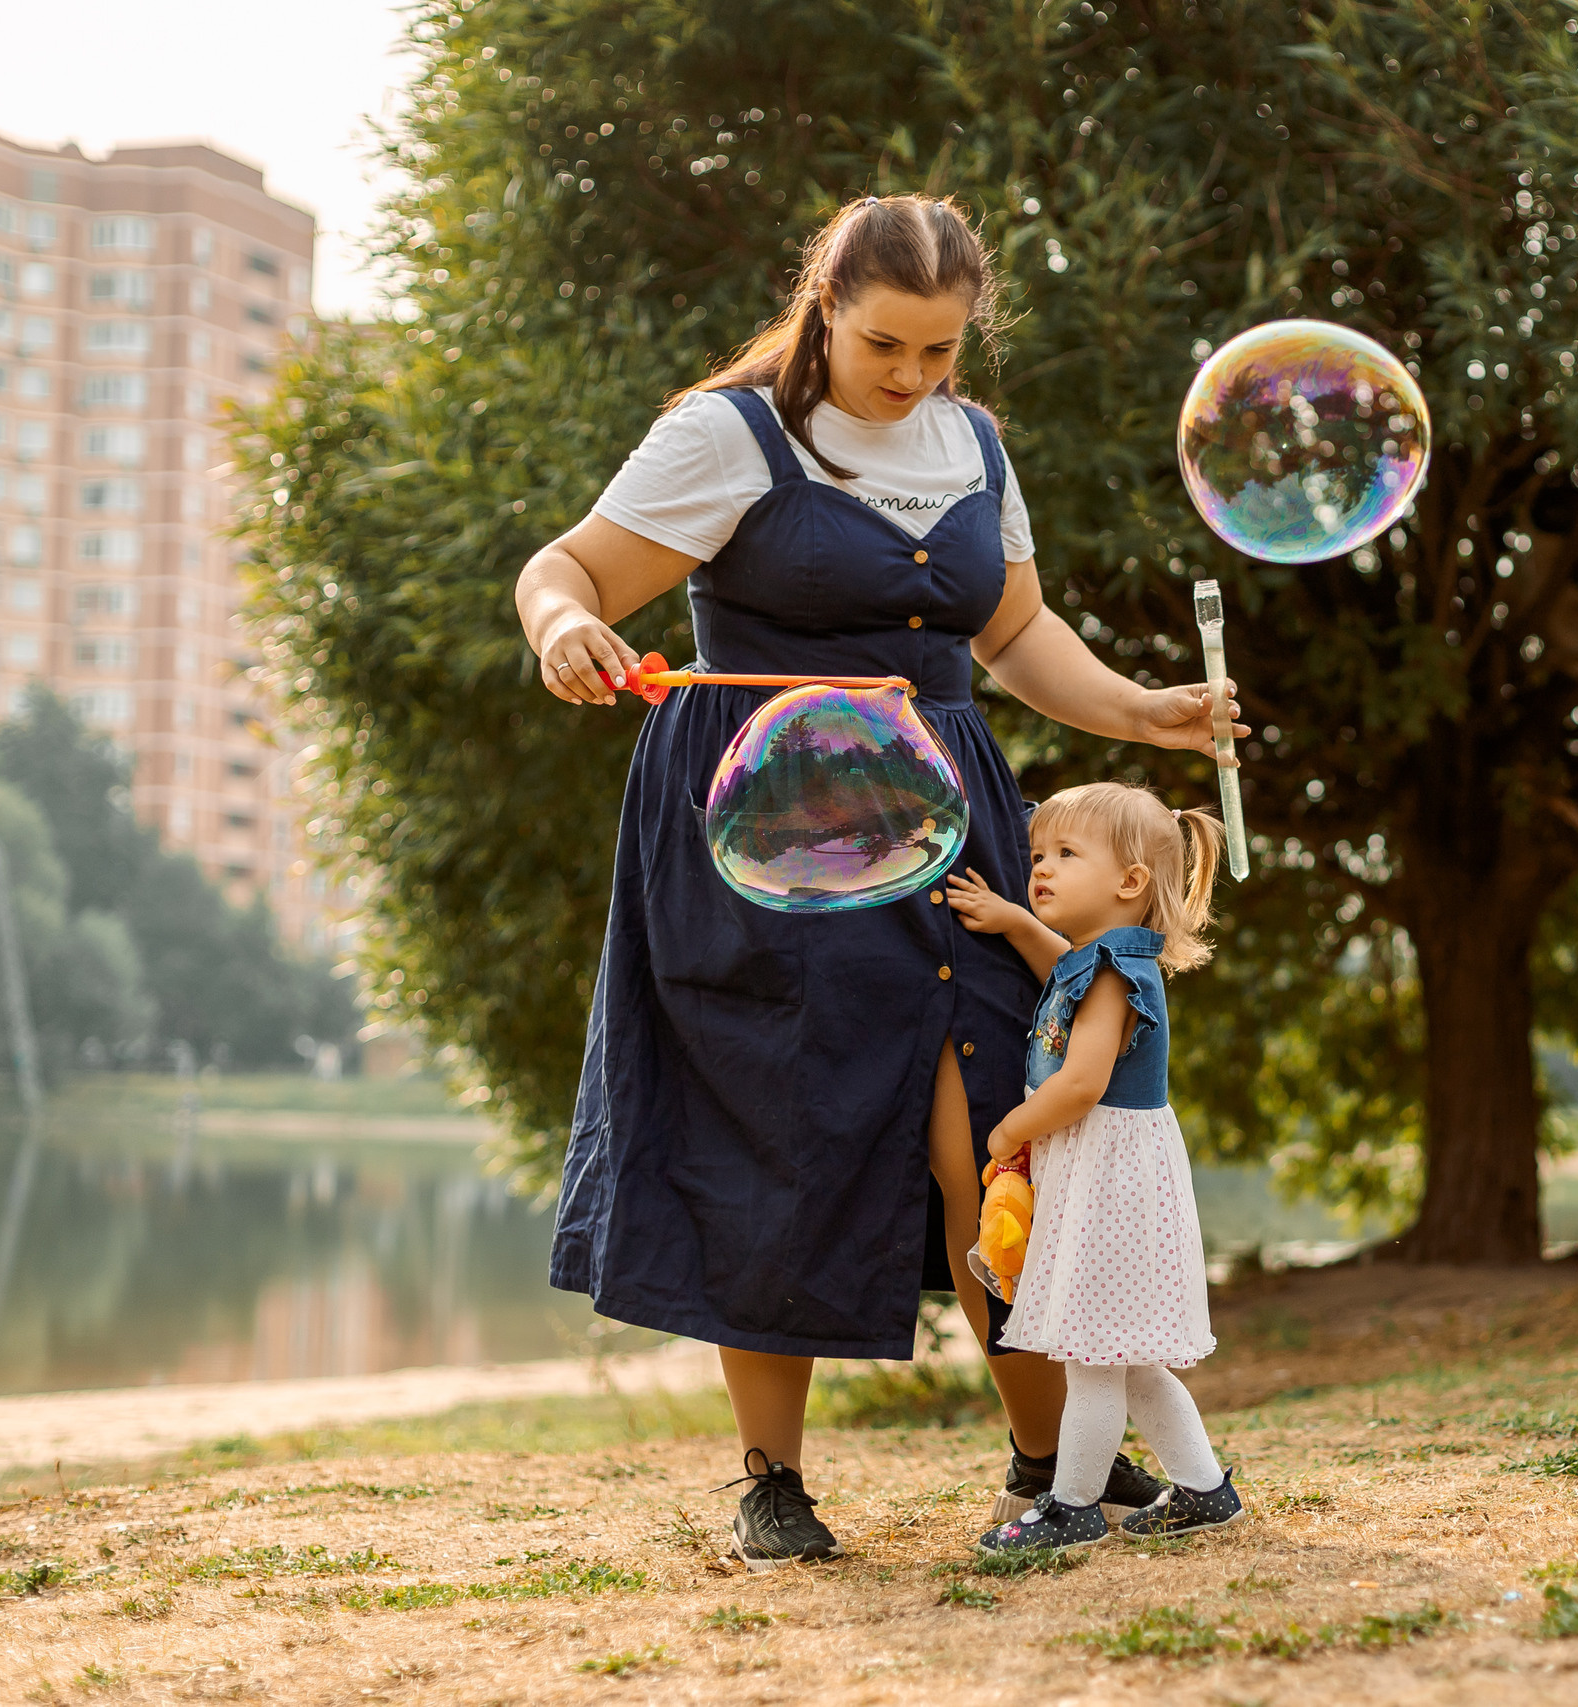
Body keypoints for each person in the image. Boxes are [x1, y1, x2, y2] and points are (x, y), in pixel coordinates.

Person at [512, 194, 1244, 1568]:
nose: (912, 376)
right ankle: (773, 1481)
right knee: (774, 1123)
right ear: (825, 308)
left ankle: (1053, 1457)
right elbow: (567, 571)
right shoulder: (727, 434)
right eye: (885, 345)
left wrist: (1139, 711)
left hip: (946, 822)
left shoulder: (974, 446)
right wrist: (563, 628)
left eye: (941, 350)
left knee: (993, 1119)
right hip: (767, 822)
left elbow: (1013, 632)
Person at [943, 783, 1245, 1551]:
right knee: (1129, 1359)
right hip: (1108, 1177)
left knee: (1092, 1358)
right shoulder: (1101, 962)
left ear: (1130, 881)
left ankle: (1073, 1505)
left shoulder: (1116, 974)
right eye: (1038, 853)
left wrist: (1010, 1127)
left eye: (1066, 854)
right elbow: (1061, 973)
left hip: (1111, 1183)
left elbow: (1081, 1082)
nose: (1041, 867)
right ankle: (1204, 1490)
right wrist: (1016, 920)